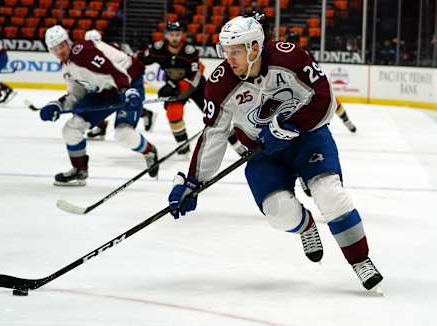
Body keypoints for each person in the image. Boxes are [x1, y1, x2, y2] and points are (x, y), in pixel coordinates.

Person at [167, 16, 383, 291]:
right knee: (279, 213)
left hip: (308, 139)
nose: (228, 58)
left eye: (235, 51)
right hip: (263, 152)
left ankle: (360, 261)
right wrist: (193, 182)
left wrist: (292, 124)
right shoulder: (220, 84)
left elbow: (324, 97)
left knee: (330, 194)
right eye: (225, 50)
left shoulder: (289, 58)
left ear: (254, 48)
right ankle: (305, 227)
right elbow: (214, 135)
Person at [40, 25, 159, 186]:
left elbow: (114, 72)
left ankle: (149, 151)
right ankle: (80, 170)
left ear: (68, 42)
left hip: (128, 81)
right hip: (106, 90)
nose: (59, 51)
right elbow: (76, 95)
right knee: (71, 129)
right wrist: (57, 105)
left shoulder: (82, 52)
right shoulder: (68, 67)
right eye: (55, 49)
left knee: (123, 134)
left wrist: (128, 91)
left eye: (61, 46)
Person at [139, 21, 246, 156]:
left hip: (197, 88)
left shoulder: (189, 50)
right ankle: (183, 149)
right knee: (173, 113)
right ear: (166, 35)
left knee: (217, 117)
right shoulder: (157, 49)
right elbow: (140, 60)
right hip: (175, 89)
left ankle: (239, 146)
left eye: (177, 34)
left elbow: (196, 74)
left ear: (182, 35)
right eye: (171, 34)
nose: (174, 38)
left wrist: (177, 86)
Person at [83, 29, 156, 140]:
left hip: (123, 79)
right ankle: (101, 126)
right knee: (97, 100)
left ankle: (145, 113)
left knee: (124, 103)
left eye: (95, 41)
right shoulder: (87, 54)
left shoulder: (111, 49)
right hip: (110, 81)